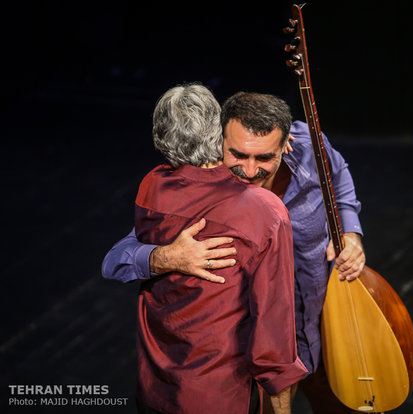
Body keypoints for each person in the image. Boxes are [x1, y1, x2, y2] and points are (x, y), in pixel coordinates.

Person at [102, 91, 366, 410]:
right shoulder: (203, 195)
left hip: (329, 320)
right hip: (267, 358)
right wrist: (166, 256)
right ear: (218, 142)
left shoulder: (309, 144)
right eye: (238, 155)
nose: (251, 170)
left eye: (264, 157)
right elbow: (115, 259)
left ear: (287, 144)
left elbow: (338, 176)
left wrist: (350, 231)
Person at [127, 83, 307, 414]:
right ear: (218, 134)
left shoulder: (150, 186)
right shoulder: (262, 211)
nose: (251, 170)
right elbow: (275, 341)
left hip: (154, 388)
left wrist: (158, 258)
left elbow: (120, 257)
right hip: (218, 396)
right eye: (240, 154)